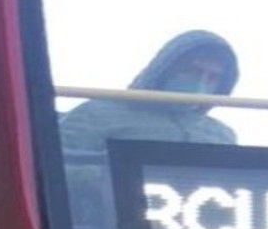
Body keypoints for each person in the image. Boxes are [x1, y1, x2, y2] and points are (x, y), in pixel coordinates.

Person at [56, 29, 239, 154]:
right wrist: (121, 175)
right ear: (166, 69)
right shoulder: (95, 115)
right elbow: (53, 172)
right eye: (193, 71)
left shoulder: (222, 135)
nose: (201, 83)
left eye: (213, 78)